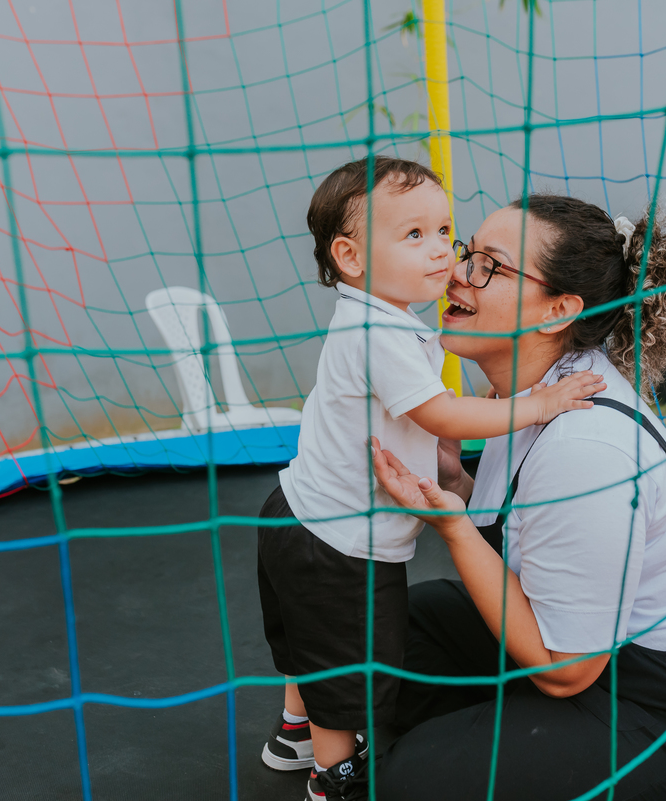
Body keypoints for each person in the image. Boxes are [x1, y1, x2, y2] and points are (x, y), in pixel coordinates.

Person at [369, 194, 666, 801]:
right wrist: (455, 485)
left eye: (490, 265)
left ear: (557, 310)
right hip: (601, 658)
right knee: (395, 625)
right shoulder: (528, 394)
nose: (457, 272)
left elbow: (566, 671)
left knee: (416, 780)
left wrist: (454, 528)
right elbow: (520, 525)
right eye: (468, 253)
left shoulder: (586, 446)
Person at [255, 158, 605, 801]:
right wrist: (539, 405)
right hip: (339, 545)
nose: (443, 251)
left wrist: (440, 456)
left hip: (298, 515)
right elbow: (442, 412)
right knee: (348, 666)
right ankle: (333, 777)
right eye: (414, 236)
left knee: (308, 636)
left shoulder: (382, 320)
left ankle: (291, 733)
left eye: (446, 231)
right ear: (351, 257)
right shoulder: (378, 331)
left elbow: (421, 425)